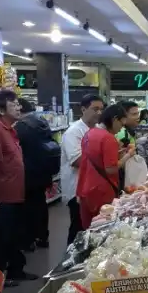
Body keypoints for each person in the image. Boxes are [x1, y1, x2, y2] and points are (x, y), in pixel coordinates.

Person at [0, 90, 36, 283]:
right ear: (0, 109)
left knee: (13, 236)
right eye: (14, 104)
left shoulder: (11, 130)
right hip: (2, 197)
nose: (19, 107)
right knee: (0, 239)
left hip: (15, 195)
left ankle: (15, 271)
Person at [15, 98, 60, 250]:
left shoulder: (21, 126)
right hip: (43, 171)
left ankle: (28, 240)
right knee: (40, 205)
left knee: (27, 208)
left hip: (27, 173)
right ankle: (43, 237)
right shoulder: (42, 122)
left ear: (20, 109)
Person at [77, 104, 130, 229]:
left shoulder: (89, 133)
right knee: (102, 228)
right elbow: (110, 169)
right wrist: (128, 155)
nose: (120, 129)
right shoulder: (108, 138)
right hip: (102, 191)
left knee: (88, 229)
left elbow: (94, 159)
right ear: (115, 119)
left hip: (85, 189)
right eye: (121, 125)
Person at [61, 95, 104, 244]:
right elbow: (77, 161)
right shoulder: (74, 132)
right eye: (95, 109)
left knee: (91, 228)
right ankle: (68, 263)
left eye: (101, 109)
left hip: (92, 188)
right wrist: (106, 160)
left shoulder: (97, 130)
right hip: (77, 189)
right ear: (83, 109)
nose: (99, 113)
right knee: (78, 228)